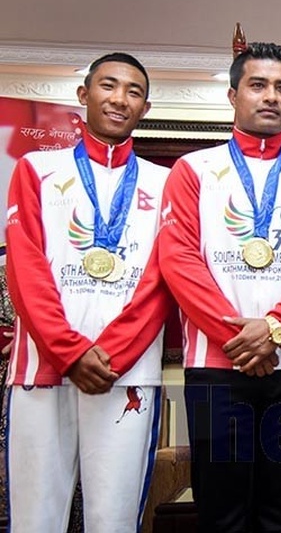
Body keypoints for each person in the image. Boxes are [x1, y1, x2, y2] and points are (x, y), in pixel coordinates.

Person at [157, 42, 281, 532]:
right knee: (222, 515)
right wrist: (240, 340)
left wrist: (277, 328)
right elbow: (179, 260)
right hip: (217, 371)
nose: (271, 97)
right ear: (232, 95)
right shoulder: (192, 170)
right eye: (258, 85)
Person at [4, 52, 172, 532]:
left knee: (113, 520)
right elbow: (26, 270)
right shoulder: (37, 168)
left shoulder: (167, 183)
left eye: (133, 92)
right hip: (42, 371)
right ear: (84, 96)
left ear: (145, 108)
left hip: (127, 375)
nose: (120, 99)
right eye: (108, 86)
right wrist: (69, 352)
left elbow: (161, 282)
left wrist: (109, 354)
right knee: (36, 520)